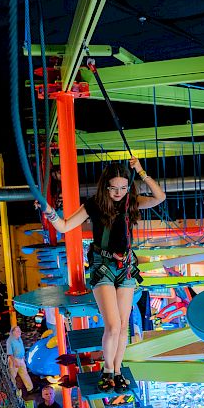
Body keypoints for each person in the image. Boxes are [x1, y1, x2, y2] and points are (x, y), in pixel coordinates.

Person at [37, 157, 165, 393]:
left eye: (123, 188)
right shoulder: (94, 205)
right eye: (114, 188)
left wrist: (141, 171)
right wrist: (49, 212)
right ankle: (107, 370)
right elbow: (65, 226)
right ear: (106, 186)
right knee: (113, 325)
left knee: (123, 325)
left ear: (129, 186)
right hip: (102, 265)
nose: (118, 193)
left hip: (125, 265)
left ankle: (117, 371)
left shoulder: (132, 202)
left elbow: (160, 197)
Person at [6, 326, 35, 394]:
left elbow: (21, 348)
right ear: (13, 332)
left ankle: (30, 388)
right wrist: (14, 361)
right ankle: (12, 391)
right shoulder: (10, 341)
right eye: (17, 331)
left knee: (24, 373)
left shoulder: (19, 339)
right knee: (13, 376)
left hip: (21, 359)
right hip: (14, 359)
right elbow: (9, 353)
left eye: (19, 330)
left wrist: (23, 357)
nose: (19, 332)